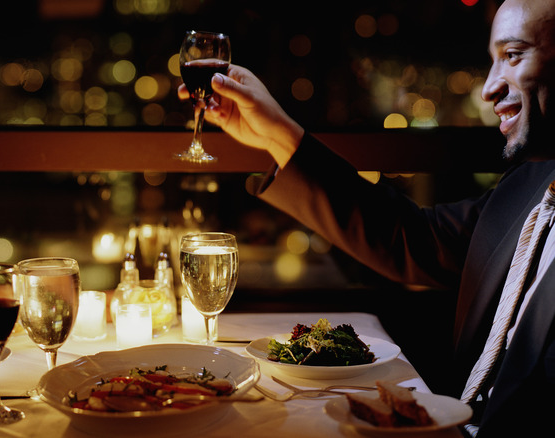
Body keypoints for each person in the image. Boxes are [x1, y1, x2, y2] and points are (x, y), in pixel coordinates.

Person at [179, 0, 555, 436]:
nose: (490, 87)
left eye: (512, 56)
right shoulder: (530, 184)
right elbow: (414, 238)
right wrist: (277, 133)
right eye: (492, 61)